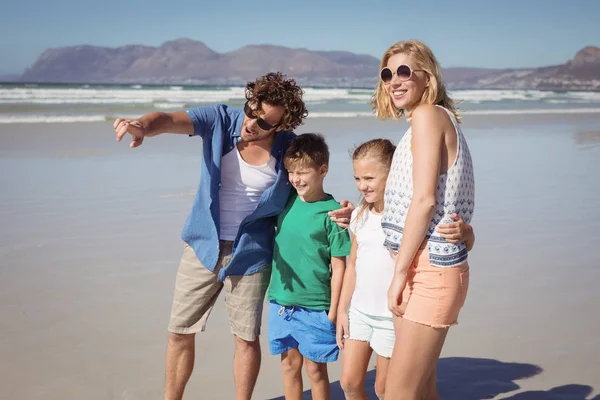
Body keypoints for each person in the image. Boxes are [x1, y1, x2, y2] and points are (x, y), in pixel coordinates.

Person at [113, 73, 353, 400]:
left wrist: (343, 210)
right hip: (202, 246)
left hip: (251, 254)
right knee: (179, 332)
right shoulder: (220, 120)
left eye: (264, 123)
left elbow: (308, 184)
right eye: (251, 110)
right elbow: (169, 119)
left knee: (245, 339)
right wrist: (142, 125)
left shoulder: (287, 147)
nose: (251, 124)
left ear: (281, 126)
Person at [372, 40, 475, 399]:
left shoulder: (429, 116)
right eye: (387, 74)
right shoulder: (422, 121)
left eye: (404, 72)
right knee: (421, 391)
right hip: (422, 264)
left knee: (397, 393)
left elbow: (425, 200)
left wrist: (399, 274)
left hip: (428, 270)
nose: (393, 81)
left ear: (426, 77)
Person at [335, 139, 474, 400]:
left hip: (392, 316)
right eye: (357, 178)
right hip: (360, 312)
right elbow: (353, 263)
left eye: (369, 178)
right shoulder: (358, 216)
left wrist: (466, 232)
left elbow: (459, 242)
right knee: (349, 384)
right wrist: (343, 310)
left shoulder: (407, 219)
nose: (362, 185)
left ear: (392, 175)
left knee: (384, 390)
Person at [267, 133, 351, 400]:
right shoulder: (285, 201)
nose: (296, 179)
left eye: (303, 172)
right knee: (289, 366)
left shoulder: (333, 213)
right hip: (281, 303)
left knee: (315, 370)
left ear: (323, 170)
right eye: (291, 172)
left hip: (317, 306)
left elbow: (340, 267)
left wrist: (335, 311)